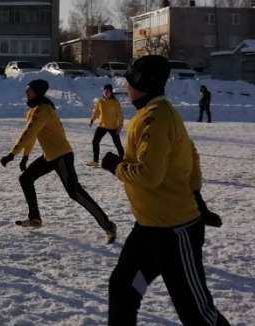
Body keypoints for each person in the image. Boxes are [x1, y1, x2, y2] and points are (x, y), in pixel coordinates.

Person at [100, 55, 228, 326]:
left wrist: (115, 166)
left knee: (196, 313)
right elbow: (191, 158)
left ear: (142, 83)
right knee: (123, 288)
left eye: (130, 79)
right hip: (147, 231)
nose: (125, 84)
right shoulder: (152, 115)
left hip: (174, 232)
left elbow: (149, 175)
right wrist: (200, 202)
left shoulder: (157, 118)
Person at [0, 79, 117, 243]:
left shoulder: (43, 110)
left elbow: (29, 131)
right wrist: (25, 156)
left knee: (75, 192)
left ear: (38, 92)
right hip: (50, 155)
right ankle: (35, 218)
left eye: (29, 90)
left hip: (61, 154)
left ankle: (108, 226)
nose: (26, 93)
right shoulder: (34, 110)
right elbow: (33, 134)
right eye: (26, 90)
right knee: (25, 178)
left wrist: (12, 154)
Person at [86, 84, 124, 167]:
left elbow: (120, 115)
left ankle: (124, 160)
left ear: (111, 92)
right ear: (103, 92)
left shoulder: (115, 102)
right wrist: (92, 120)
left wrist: (120, 126)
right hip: (102, 125)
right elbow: (96, 112)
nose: (106, 93)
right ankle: (95, 161)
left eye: (108, 91)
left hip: (113, 127)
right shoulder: (100, 101)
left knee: (118, 144)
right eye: (105, 91)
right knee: (95, 141)